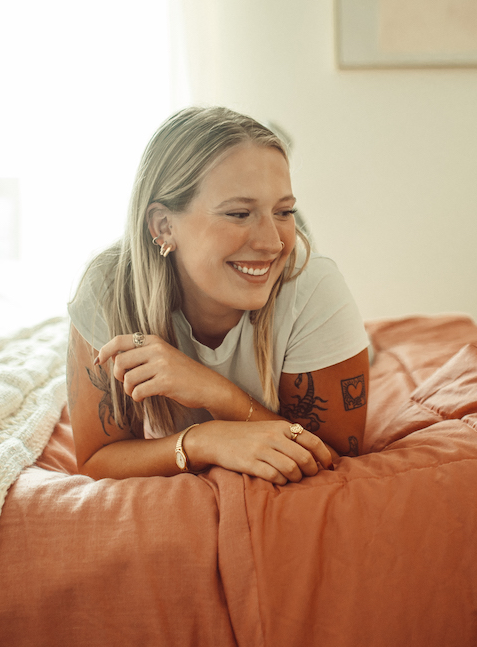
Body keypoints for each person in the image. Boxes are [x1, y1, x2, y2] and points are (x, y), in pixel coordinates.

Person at [66, 107, 371, 484]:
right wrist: (203, 441)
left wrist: (216, 393)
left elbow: (335, 461)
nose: (273, 242)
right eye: (240, 213)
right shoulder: (108, 290)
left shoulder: (312, 283)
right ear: (164, 226)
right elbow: (97, 459)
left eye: (285, 211)